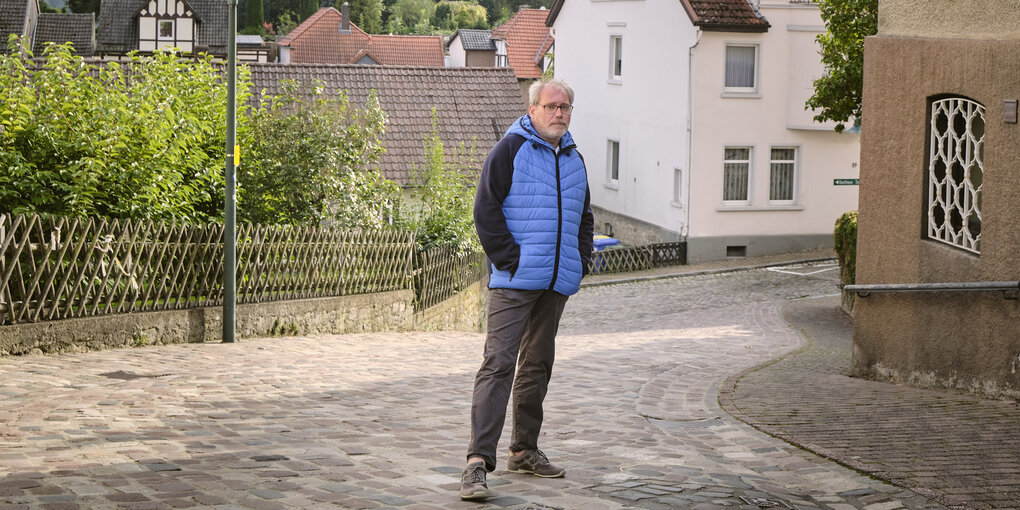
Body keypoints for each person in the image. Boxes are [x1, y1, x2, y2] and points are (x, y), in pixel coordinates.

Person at [460, 78, 594, 500]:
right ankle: (477, 463)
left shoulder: (574, 157)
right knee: (498, 365)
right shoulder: (510, 149)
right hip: (515, 282)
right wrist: (511, 259)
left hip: (555, 284)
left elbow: (584, 215)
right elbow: (485, 208)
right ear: (533, 109)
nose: (560, 113)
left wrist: (580, 260)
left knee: (537, 366)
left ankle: (525, 451)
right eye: (552, 106)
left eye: (566, 107)